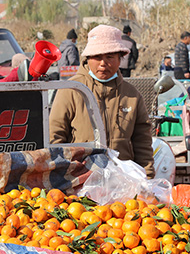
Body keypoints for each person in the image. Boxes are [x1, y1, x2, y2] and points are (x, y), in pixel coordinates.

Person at [50, 24, 154, 176]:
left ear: (120, 59)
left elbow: (142, 142)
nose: (103, 63)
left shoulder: (132, 95)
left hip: (122, 179)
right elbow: (55, 137)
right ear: (88, 59)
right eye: (97, 57)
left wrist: (148, 178)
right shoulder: (71, 90)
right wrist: (62, 176)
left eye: (110, 57)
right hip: (80, 180)